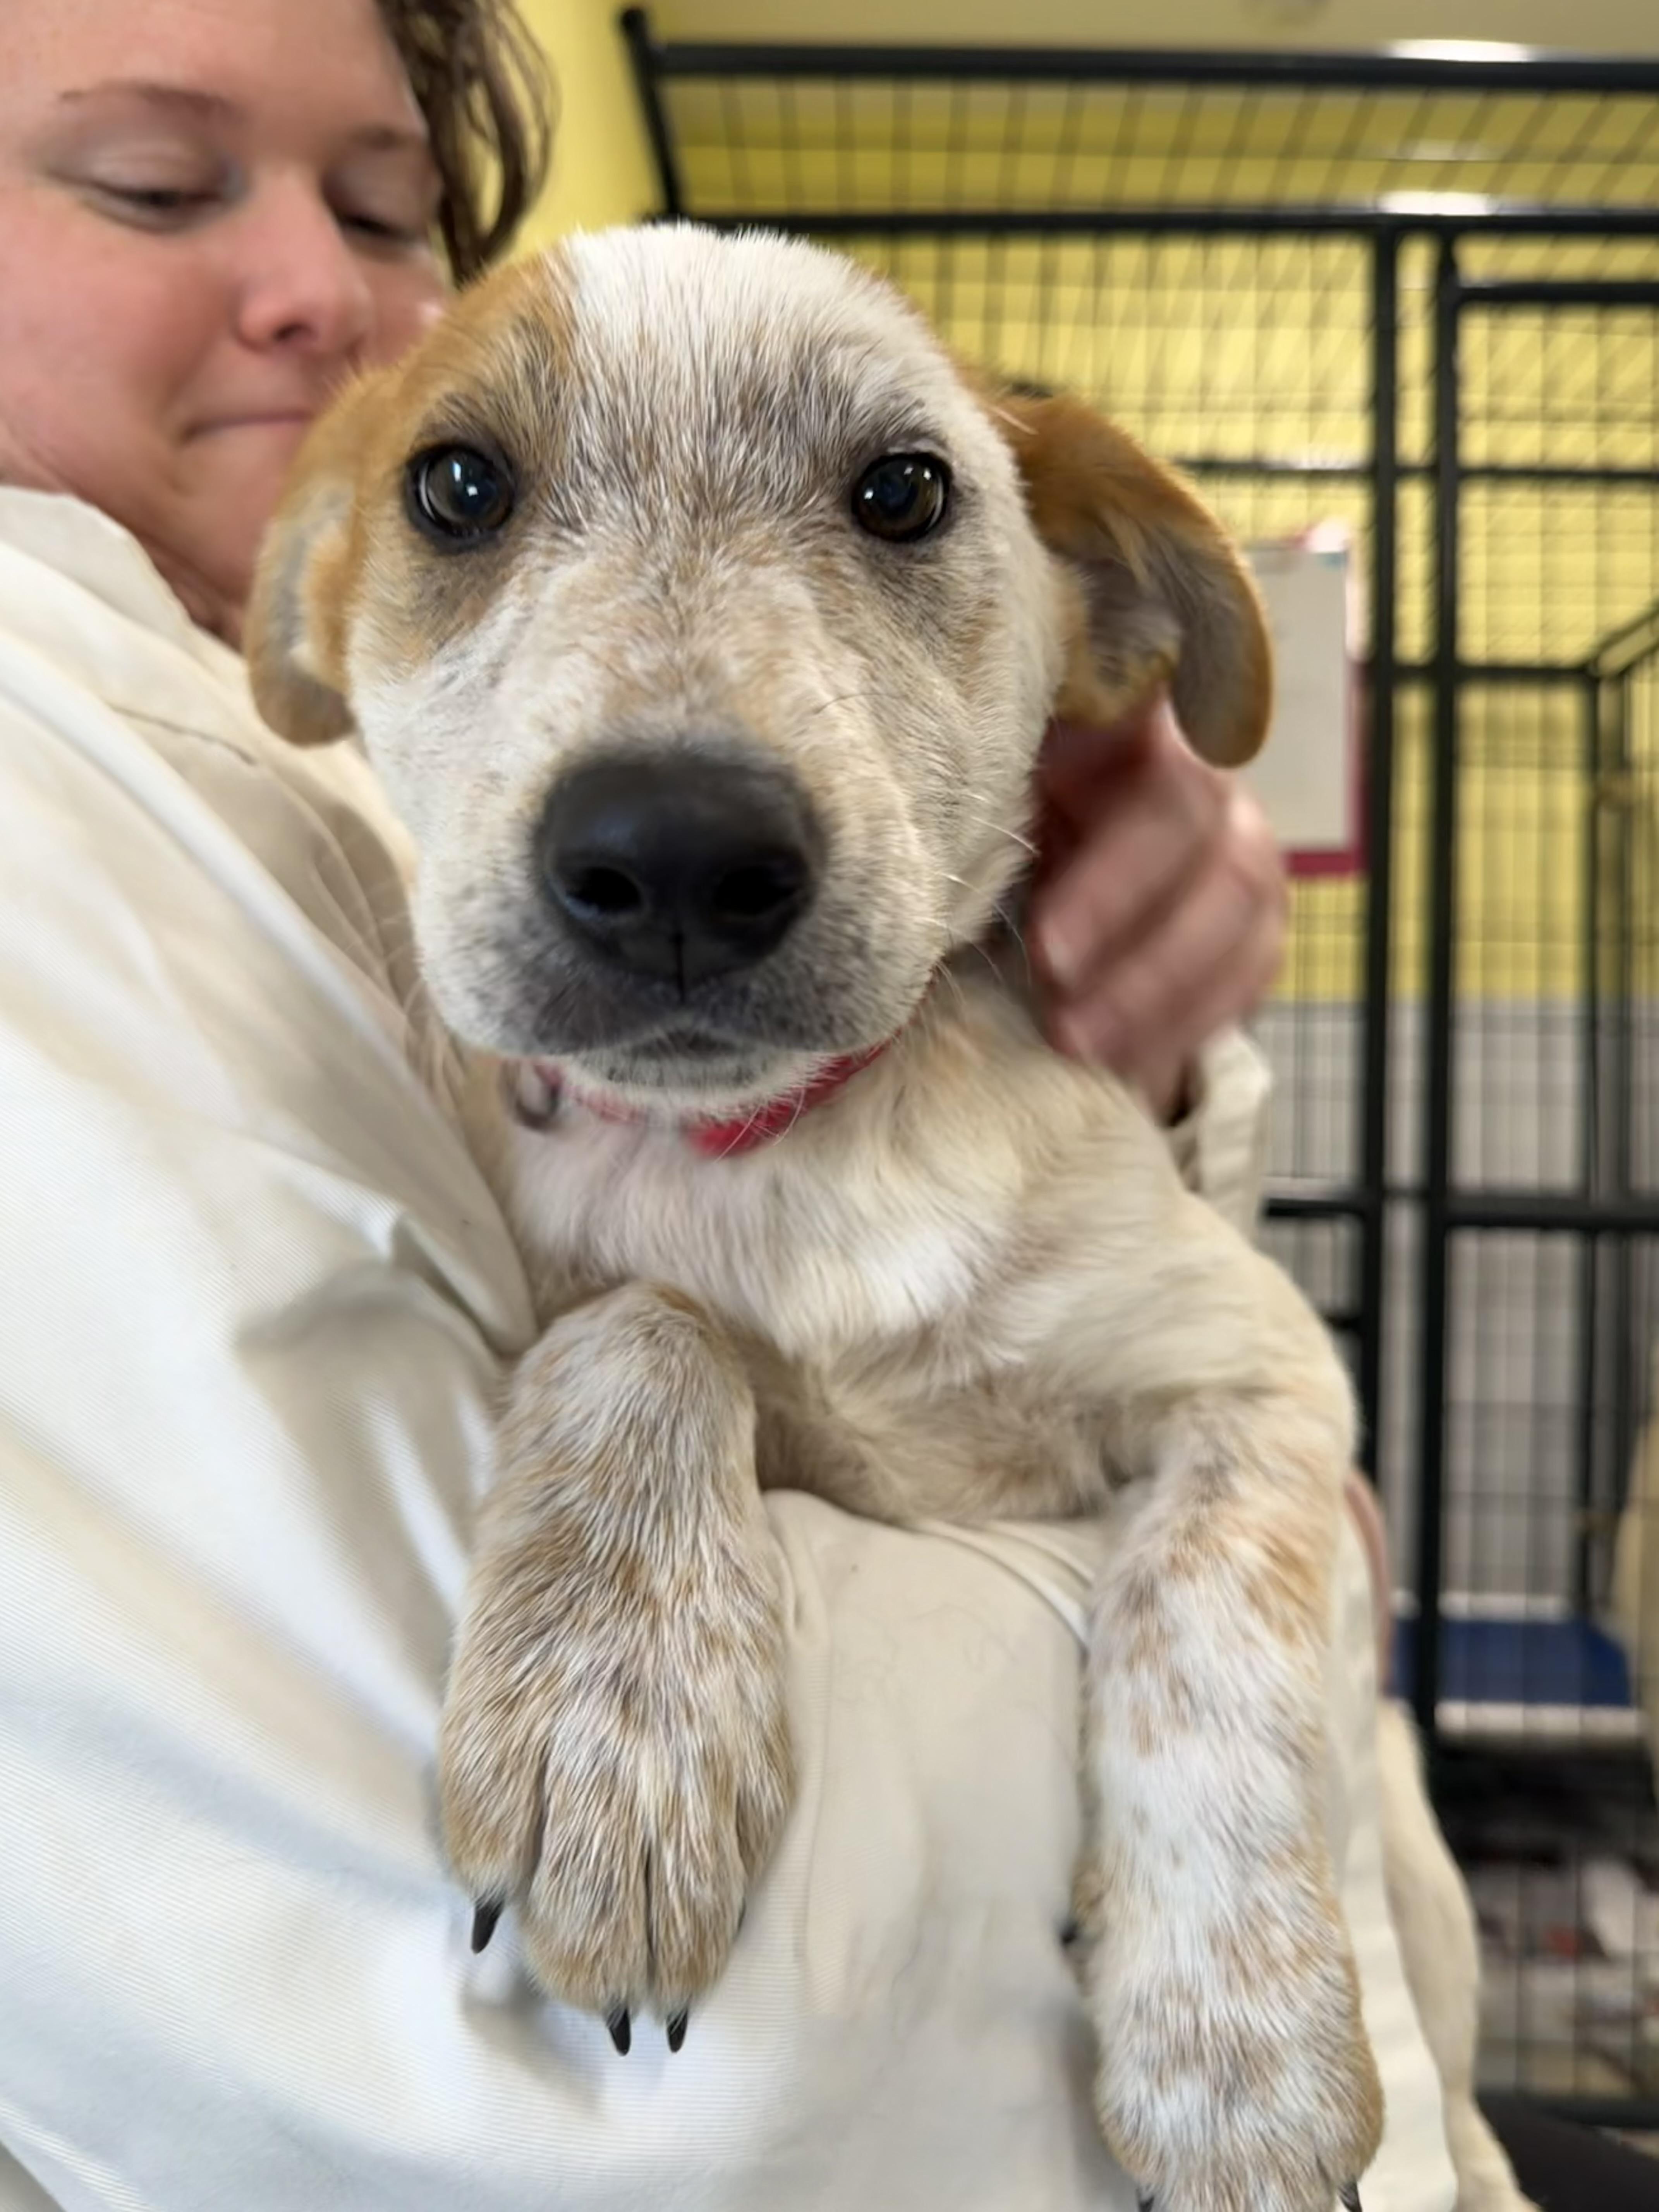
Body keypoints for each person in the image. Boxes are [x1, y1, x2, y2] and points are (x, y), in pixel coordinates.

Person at [0, 1, 1633, 2205]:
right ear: (341, 591)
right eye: (149, 181)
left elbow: (1210, 1380)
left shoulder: (312, 767)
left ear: (1079, 610)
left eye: (390, 206)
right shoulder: (85, 767)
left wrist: (1107, 961)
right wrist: (646, 1376)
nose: (325, 285)